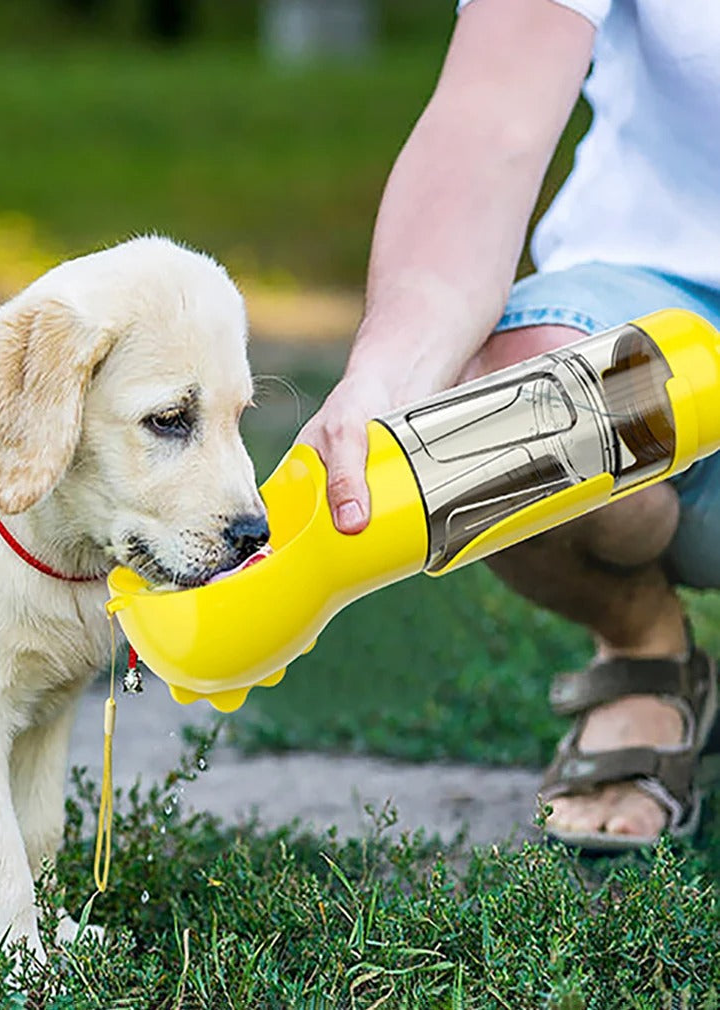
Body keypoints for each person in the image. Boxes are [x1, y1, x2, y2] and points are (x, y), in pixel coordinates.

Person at [299, 0, 720, 850]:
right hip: (665, 301)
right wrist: (390, 370)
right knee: (497, 411)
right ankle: (644, 650)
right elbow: (487, 123)